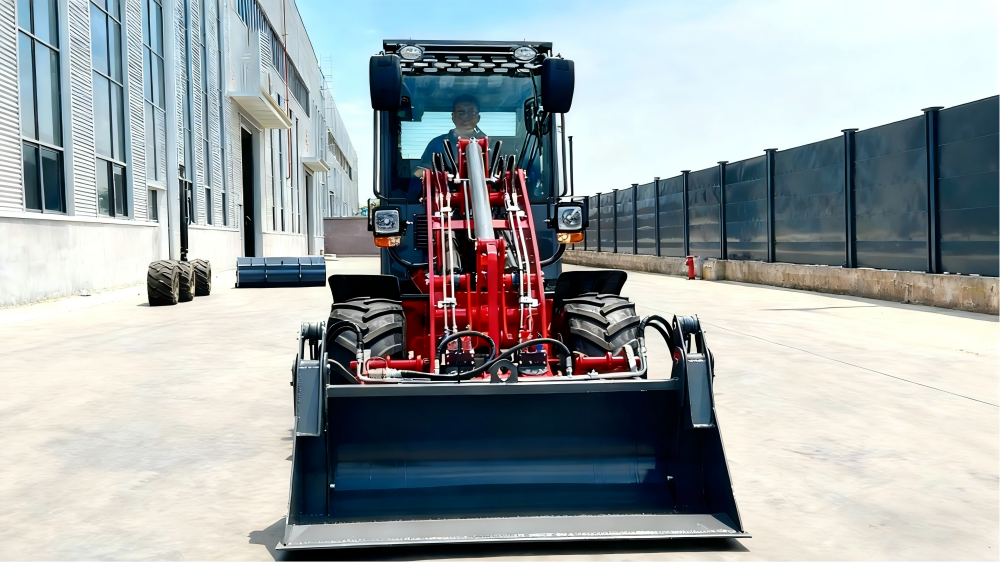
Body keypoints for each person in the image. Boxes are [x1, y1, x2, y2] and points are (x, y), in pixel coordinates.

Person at [415, 94, 487, 177]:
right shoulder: (437, 143)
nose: (466, 116)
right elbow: (421, 171)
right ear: (453, 117)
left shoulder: (491, 144)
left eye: (471, 112)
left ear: (478, 118)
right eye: (461, 113)